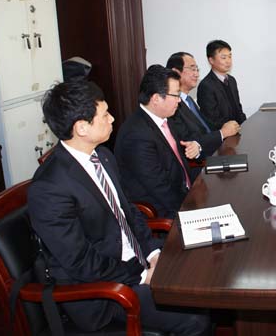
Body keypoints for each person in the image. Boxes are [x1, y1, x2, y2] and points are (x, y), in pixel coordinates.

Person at [28, 81, 210, 335]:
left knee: (203, 269)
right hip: (102, 292)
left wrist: (152, 254)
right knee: (196, 315)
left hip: (133, 261)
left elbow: (128, 212)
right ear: (81, 127)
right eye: (104, 115)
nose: (112, 119)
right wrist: (141, 275)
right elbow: (81, 262)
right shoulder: (49, 187)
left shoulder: (102, 156)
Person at [115, 65, 201, 218]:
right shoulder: (136, 135)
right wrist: (191, 210)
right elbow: (159, 188)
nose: (179, 100)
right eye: (176, 95)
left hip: (185, 191)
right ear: (156, 98)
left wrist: (195, 148)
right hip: (164, 210)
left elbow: (175, 158)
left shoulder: (165, 118)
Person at [167, 51, 240, 157]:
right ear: (176, 72)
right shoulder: (172, 106)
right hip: (198, 161)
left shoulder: (189, 100)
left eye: (197, 69)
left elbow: (205, 129)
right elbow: (188, 142)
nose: (196, 74)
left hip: (214, 152)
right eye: (192, 69)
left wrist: (225, 128)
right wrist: (222, 133)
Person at [197, 39, 246, 130]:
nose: (228, 61)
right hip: (223, 134)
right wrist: (232, 129)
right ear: (211, 60)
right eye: (223, 57)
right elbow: (211, 120)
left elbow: (238, 109)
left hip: (239, 130)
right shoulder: (206, 86)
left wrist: (245, 126)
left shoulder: (231, 80)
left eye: (230, 57)